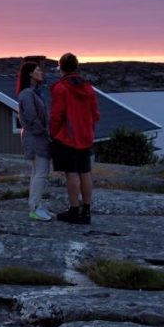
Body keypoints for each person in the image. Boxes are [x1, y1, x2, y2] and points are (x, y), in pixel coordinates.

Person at [49, 52, 99, 224]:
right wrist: (90, 130)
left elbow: (57, 115)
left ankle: (74, 210)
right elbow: (95, 113)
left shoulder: (60, 88)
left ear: (61, 67)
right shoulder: (88, 87)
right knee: (85, 172)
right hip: (85, 136)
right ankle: (86, 211)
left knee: (71, 174)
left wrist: (53, 133)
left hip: (68, 137)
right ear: (76, 67)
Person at [16, 60, 52, 220]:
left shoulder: (33, 93)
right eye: (38, 70)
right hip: (36, 138)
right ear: (30, 74)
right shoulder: (27, 94)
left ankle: (36, 204)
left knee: (36, 172)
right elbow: (31, 118)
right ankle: (35, 208)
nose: (41, 73)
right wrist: (45, 133)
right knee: (41, 173)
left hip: (37, 136)